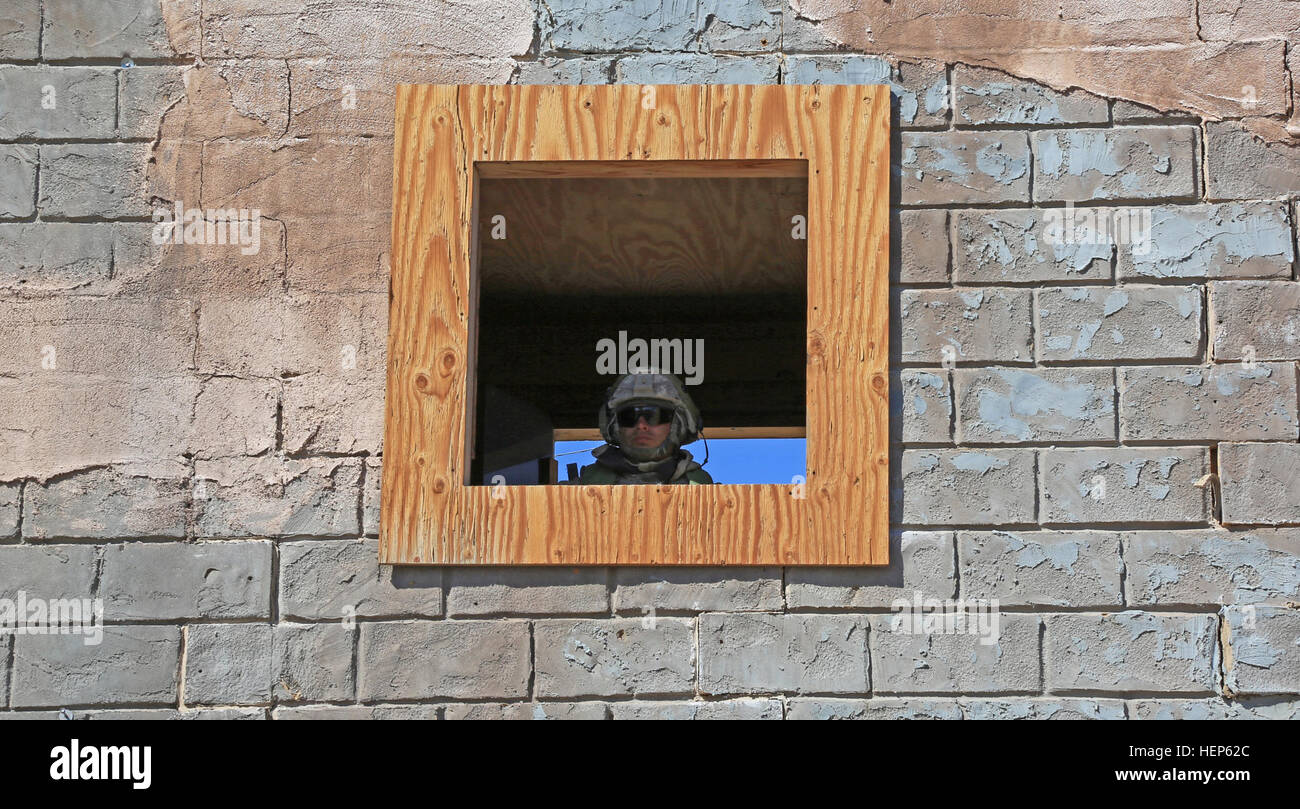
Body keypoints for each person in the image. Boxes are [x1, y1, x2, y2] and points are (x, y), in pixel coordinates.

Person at [576, 371, 714, 485]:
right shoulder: (579, 489)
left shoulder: (709, 493)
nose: (641, 426)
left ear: (679, 425)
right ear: (615, 426)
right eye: (628, 416)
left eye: (654, 416)